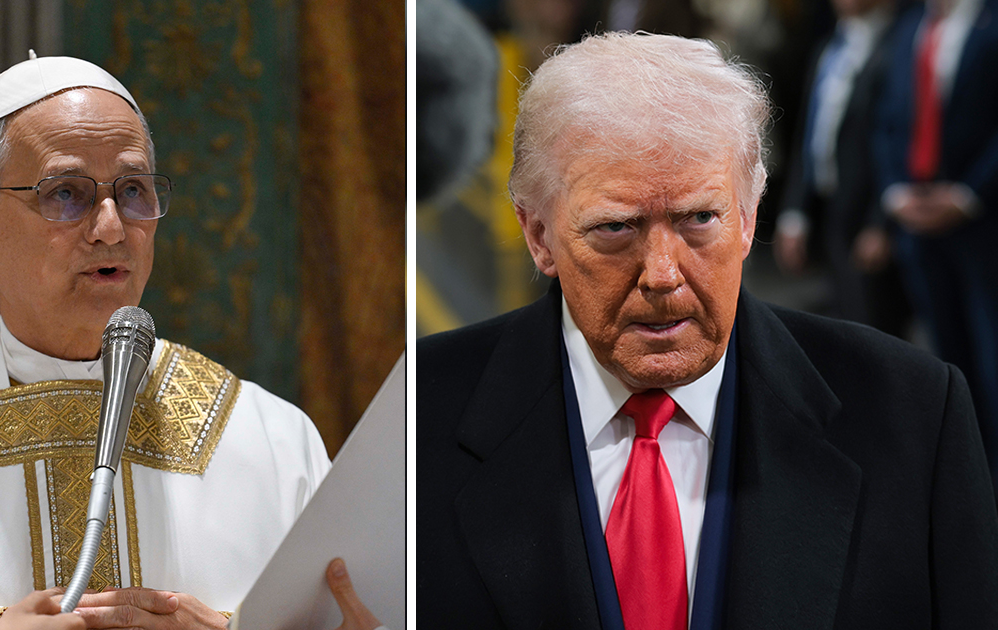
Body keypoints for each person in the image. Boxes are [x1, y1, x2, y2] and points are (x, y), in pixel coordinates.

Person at [418, 32, 998, 629]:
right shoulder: (417, 416)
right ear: (538, 235)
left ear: (748, 219)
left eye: (699, 219)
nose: (663, 275)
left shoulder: (915, 415)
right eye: (617, 227)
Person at [0, 55, 381, 630]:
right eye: (66, 194)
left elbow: (359, 612)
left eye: (133, 191)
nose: (110, 228)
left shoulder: (269, 440)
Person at [873, 0, 998, 488]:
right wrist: (894, 192)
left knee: (991, 362)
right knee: (947, 362)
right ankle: (964, 477)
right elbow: (887, 118)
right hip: (918, 224)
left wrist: (969, 195)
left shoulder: (989, 24)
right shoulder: (909, 28)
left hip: (981, 224)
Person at [774, 0, 911, 338]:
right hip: (831, 206)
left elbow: (898, 141)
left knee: (879, 328)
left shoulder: (902, 44)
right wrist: (794, 212)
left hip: (873, 215)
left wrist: (882, 223)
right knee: (843, 326)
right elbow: (809, 133)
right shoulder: (830, 46)